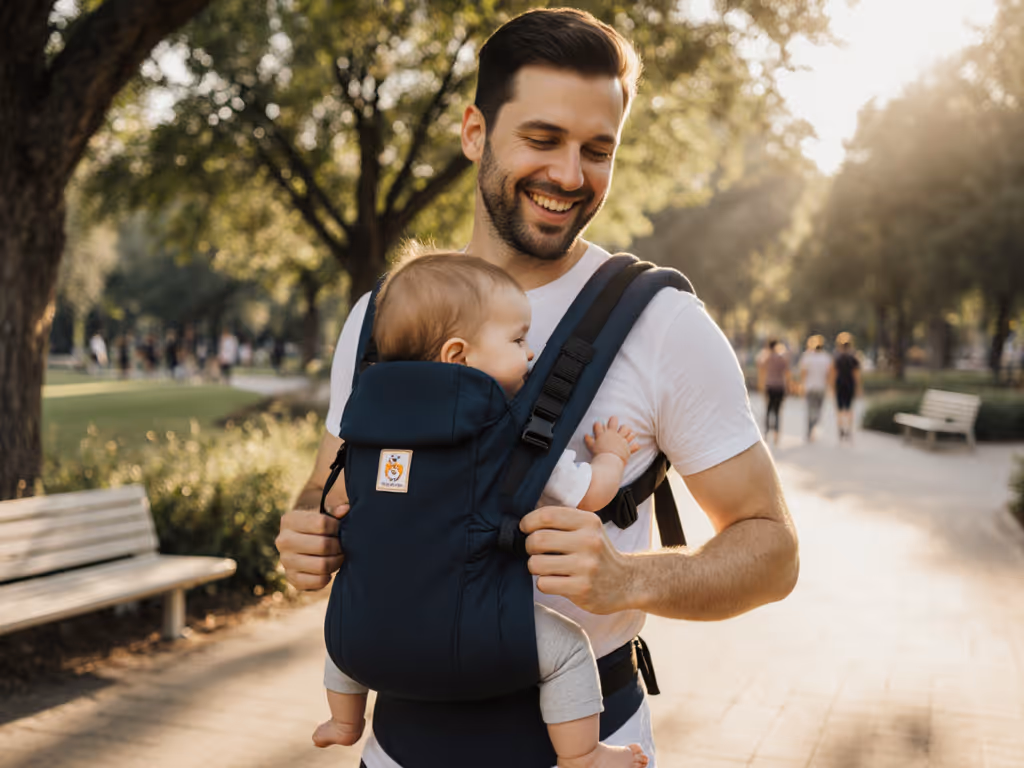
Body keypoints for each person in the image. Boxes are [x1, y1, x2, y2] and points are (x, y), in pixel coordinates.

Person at [276, 9, 798, 767]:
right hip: (395, 748)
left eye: (597, 150)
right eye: (543, 139)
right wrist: (306, 537)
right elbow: (328, 492)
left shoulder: (663, 324)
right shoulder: (378, 317)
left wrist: (626, 579)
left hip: (580, 739)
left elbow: (774, 550)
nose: (569, 175)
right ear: (474, 133)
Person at [313, 250, 648, 768]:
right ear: (457, 355)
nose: (532, 354)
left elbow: (338, 500)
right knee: (568, 651)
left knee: (345, 627)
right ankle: (582, 755)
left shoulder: (368, 429)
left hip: (368, 633)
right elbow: (588, 494)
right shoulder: (507, 434)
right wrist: (611, 456)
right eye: (518, 340)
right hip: (471, 628)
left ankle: (344, 720)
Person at [757, 339, 790, 447]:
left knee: (768, 410)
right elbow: (787, 372)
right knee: (777, 412)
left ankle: (766, 434)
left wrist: (761, 386)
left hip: (769, 386)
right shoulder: (782, 358)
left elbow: (760, 368)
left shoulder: (766, 358)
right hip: (780, 387)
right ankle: (776, 435)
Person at [799, 335, 832, 442]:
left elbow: (803, 373)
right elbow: (828, 375)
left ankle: (810, 428)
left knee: (810, 410)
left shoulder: (807, 357)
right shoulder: (826, 358)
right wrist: (829, 387)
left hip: (810, 387)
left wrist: (802, 386)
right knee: (818, 410)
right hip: (821, 388)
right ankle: (813, 426)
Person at [831, 332, 861, 441]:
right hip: (850, 385)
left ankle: (841, 429)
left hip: (839, 384)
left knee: (839, 410)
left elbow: (833, 373)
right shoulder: (854, 356)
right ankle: (848, 429)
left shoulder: (836, 356)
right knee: (849, 409)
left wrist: (832, 387)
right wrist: (858, 388)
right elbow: (856, 374)